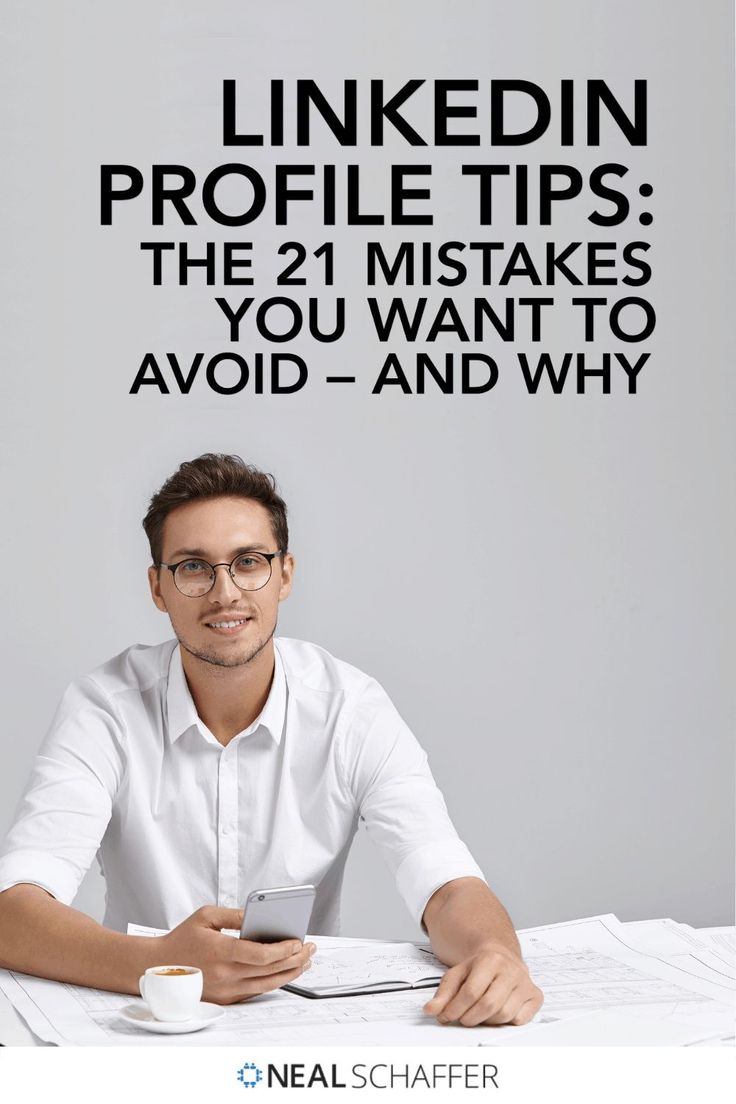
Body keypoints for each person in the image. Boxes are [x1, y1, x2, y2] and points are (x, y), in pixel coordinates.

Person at [0, 454, 543, 1028]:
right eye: (192, 567)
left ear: (284, 574)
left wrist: (496, 955)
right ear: (158, 587)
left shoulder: (350, 708)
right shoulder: (104, 707)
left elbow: (443, 880)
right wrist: (160, 965)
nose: (224, 592)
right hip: (141, 1020)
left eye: (248, 562)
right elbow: (14, 910)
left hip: (304, 1030)